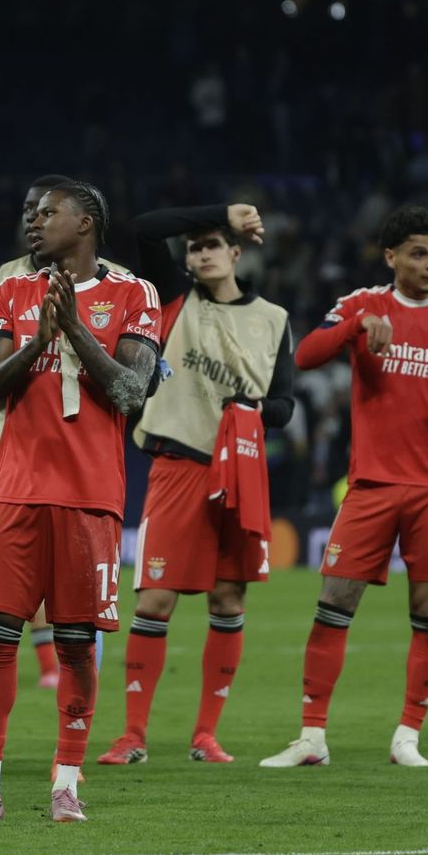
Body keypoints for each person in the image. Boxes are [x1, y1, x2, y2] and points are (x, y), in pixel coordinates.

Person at [0, 180, 160, 824]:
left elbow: (132, 391)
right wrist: (35, 341)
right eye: (28, 211)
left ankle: (67, 787)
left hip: (88, 496)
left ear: (86, 223)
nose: (33, 221)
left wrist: (74, 329)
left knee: (76, 645)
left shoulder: (135, 293)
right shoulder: (11, 289)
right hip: (16, 487)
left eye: (47, 212)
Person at [259, 205, 428, 771]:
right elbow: (305, 355)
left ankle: (407, 734)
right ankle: (312, 737)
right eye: (418, 253)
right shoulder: (364, 304)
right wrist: (355, 327)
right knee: (334, 601)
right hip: (370, 485)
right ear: (392, 257)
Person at [97, 202, 294, 767]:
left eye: (213, 244)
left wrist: (256, 409)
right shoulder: (171, 298)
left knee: (229, 597)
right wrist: (219, 213)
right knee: (155, 601)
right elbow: (141, 227)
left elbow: (284, 402)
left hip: (239, 469)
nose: (201, 252)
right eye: (194, 246)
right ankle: (132, 734)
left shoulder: (274, 319)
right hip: (177, 465)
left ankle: (206, 735)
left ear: (237, 252)